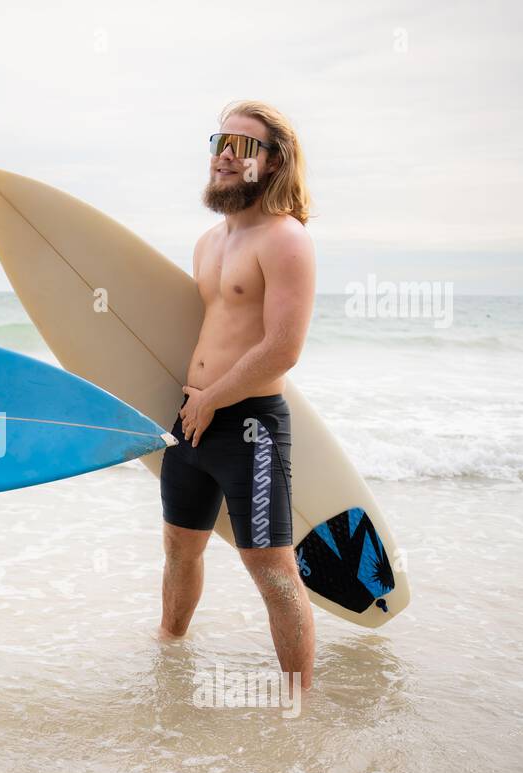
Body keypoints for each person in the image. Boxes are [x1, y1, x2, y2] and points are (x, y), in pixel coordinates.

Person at [159, 100, 316, 690]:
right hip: (190, 421)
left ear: (272, 163)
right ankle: (169, 659)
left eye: (244, 145)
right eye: (220, 142)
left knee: (273, 572)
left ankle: (299, 705)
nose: (225, 154)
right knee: (179, 550)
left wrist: (212, 399)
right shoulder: (208, 241)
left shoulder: (285, 241)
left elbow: (282, 348)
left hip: (249, 427)